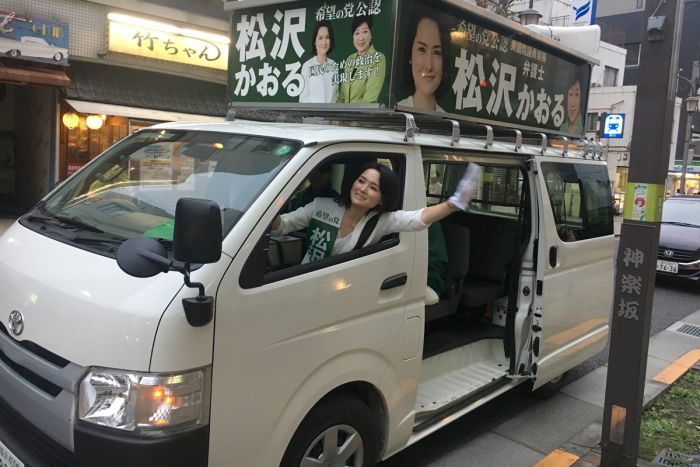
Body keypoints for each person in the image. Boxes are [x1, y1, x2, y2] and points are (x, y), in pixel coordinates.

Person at [272, 161, 481, 264]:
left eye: (373, 187)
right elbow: (283, 225)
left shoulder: (380, 222)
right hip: (302, 285)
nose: (362, 189)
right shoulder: (321, 205)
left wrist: (453, 204)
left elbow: (416, 219)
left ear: (381, 198)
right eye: (361, 181)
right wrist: (271, 204)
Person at [398, 10, 450, 112]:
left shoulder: (450, 122)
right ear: (410, 55)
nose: (429, 66)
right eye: (422, 50)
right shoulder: (394, 115)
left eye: (437, 52)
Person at [337, 16, 386, 104]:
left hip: (361, 117)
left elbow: (369, 100)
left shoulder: (378, 58)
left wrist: (347, 116)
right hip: (342, 116)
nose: (360, 38)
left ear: (371, 33)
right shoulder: (350, 59)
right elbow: (342, 97)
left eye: (365, 31)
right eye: (357, 33)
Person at [299, 20, 338, 103]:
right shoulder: (307, 66)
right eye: (320, 38)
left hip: (330, 115)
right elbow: (303, 98)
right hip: (312, 115)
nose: (324, 42)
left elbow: (335, 96)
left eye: (327, 37)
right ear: (315, 41)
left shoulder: (333, 65)